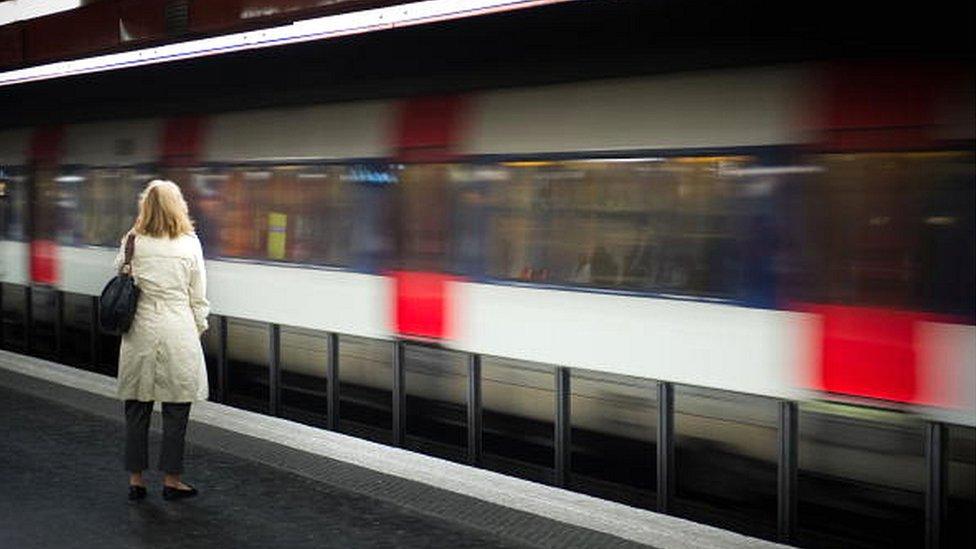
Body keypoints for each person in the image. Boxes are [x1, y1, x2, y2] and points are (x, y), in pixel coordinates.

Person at [114, 179, 210, 502]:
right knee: (176, 409)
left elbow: (120, 279)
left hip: (140, 332)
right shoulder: (189, 243)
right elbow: (198, 297)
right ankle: (172, 481)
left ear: (145, 207)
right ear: (177, 206)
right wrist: (198, 327)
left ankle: (136, 481)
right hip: (178, 330)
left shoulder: (132, 241)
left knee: (137, 409)